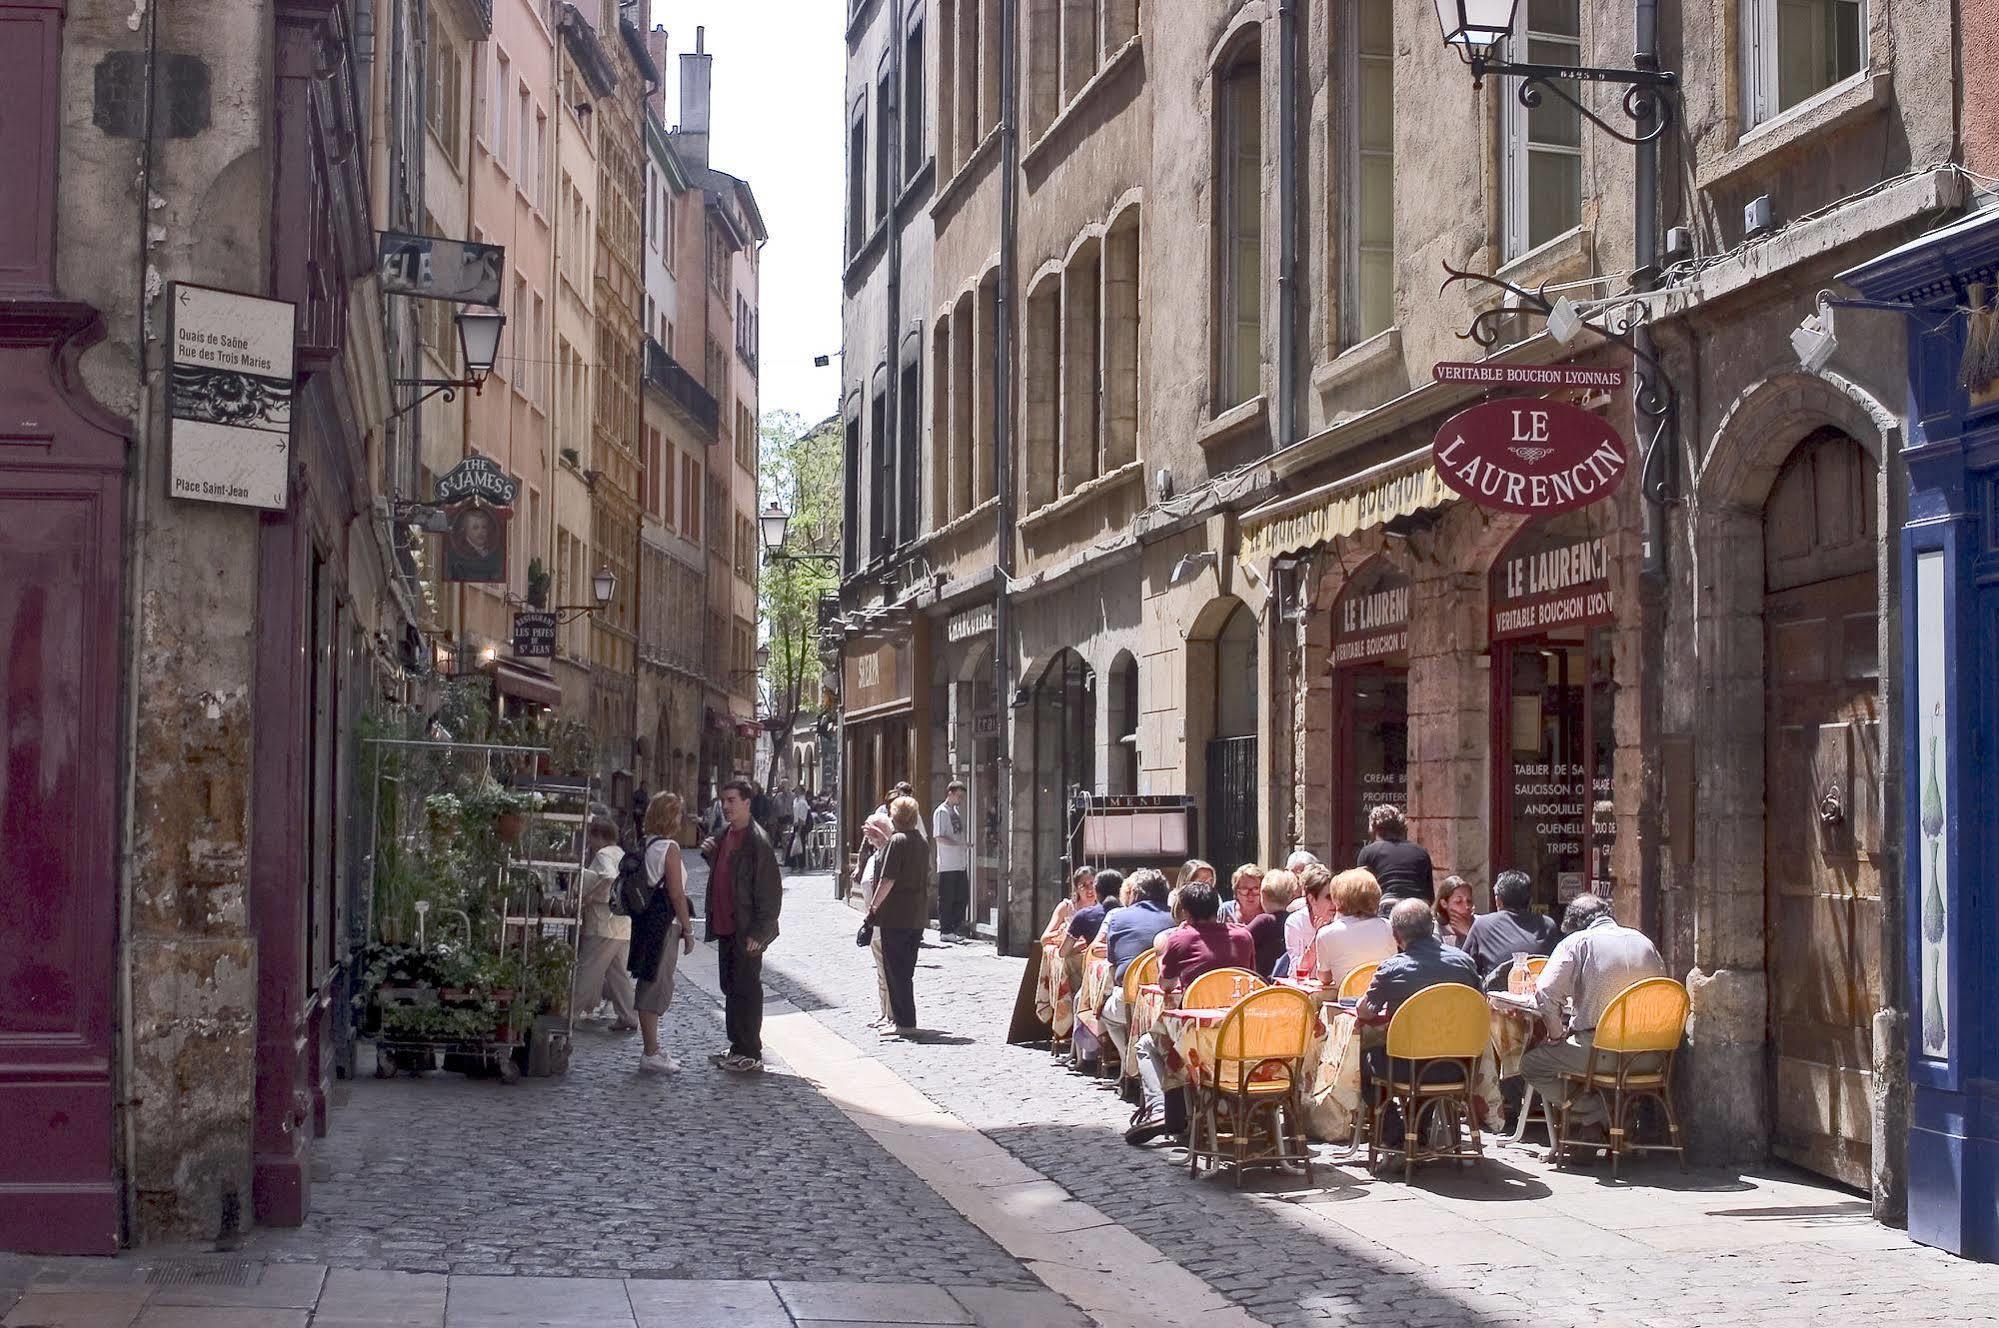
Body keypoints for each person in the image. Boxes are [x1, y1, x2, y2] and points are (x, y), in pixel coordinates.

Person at [1521, 894, 1668, 1150]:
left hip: (1602, 1054)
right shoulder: (1643, 941)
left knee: (1532, 1065)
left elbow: (1545, 992)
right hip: (1651, 1057)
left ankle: (1596, 1112)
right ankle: (1612, 1118)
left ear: (1575, 924)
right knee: (1575, 1050)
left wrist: (1555, 1035)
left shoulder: (1578, 941)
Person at [1126, 879, 1253, 1145]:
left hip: (1196, 1035)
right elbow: (1251, 976)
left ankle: (1161, 1108)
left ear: (1185, 911)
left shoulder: (1180, 939)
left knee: (1146, 1044)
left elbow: (1165, 984)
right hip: (1238, 1032)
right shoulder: (1243, 936)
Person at [1354, 899, 1483, 1147]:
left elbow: (1366, 1011)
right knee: (1425, 1051)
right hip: (1460, 1066)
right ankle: (1418, 1130)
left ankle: (1395, 1133)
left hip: (1408, 1068)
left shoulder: (1393, 969)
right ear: (1432, 925)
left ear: (1396, 935)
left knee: (1368, 1060)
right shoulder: (1465, 963)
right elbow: (1480, 1004)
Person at [700, 778, 783, 1072]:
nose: (726, 806)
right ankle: (737, 1046)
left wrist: (760, 933)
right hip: (727, 926)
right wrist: (710, 853)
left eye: (732, 800)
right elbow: (730, 876)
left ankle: (751, 1051)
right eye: (724, 800)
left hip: (746, 929)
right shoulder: (725, 834)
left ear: (747, 803)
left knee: (747, 989)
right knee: (731, 987)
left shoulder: (756, 841)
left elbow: (770, 892)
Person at [626, 796, 696, 1073]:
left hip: (644, 921)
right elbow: (677, 894)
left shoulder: (646, 843)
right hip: (663, 922)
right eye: (678, 815)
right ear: (671, 817)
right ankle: (651, 1051)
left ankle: (651, 1048)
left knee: (649, 977)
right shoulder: (669, 848)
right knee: (656, 982)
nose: (681, 820)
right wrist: (688, 929)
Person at [1096, 868, 1175, 1075]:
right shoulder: (1176, 918)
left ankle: (1129, 1064)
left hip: (1130, 1001)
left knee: (1104, 1013)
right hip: (1166, 1003)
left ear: (1134, 893)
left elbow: (1113, 966)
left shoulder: (1118, 919)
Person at [869, 796, 932, 1037]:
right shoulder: (921, 842)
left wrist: (873, 907)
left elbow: (888, 879)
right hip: (916, 916)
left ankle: (903, 1022)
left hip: (895, 915)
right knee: (906, 970)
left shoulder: (897, 841)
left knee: (895, 971)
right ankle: (905, 1020)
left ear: (896, 817)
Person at [570, 816, 639, 1035]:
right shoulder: (621, 853)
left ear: (598, 836)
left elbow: (609, 877)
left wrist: (589, 897)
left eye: (591, 836)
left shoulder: (603, 855)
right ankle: (629, 1015)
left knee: (587, 971)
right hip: (623, 925)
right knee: (618, 975)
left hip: (603, 925)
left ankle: (568, 1014)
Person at [1463, 869, 1560, 984]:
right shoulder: (1548, 925)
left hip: (1495, 999)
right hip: (1537, 998)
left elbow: (1464, 969)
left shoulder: (1482, 925)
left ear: (1498, 900)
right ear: (1530, 901)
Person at [1312, 868, 1397, 992]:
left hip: (1347, 1003)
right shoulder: (1389, 927)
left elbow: (1325, 978)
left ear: (1338, 898)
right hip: (1383, 1001)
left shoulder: (1326, 933)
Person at [856, 811, 896, 1029]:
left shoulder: (887, 855)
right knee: (881, 973)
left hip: (884, 922)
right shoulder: (876, 856)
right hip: (874, 924)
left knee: (887, 972)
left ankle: (891, 1014)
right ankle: (884, 1012)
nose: (869, 840)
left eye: (872, 835)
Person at [1357, 804, 1435, 911]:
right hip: (1419, 907)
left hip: (1386, 906)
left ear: (1373, 829)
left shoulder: (1368, 852)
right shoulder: (1421, 852)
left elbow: (1360, 893)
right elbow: (1430, 896)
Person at [932, 780, 973, 937]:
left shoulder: (955, 811)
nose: (960, 800)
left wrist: (963, 845)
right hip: (948, 863)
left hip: (960, 862)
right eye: (958, 796)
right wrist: (959, 845)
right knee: (947, 898)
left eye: (962, 797)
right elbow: (939, 837)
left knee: (961, 897)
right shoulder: (941, 812)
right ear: (950, 793)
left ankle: (956, 927)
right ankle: (946, 930)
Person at [1283, 863, 1337, 978]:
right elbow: (1298, 971)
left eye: (1336, 897)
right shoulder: (1295, 922)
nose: (1334, 903)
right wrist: (1317, 939)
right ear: (1312, 899)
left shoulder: (1340, 921)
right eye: (1328, 897)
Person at [1060, 867, 1124, 959]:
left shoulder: (1083, 915)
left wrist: (1083, 947)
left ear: (1096, 891)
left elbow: (1063, 952)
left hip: (1094, 965)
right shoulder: (1131, 915)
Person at [1247, 869, 1295, 978]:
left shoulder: (1264, 921)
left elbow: (1240, 940)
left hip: (1261, 981)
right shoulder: (1292, 920)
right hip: (1285, 981)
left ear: (1263, 894)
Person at [1041, 867, 1096, 946]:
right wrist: (1061, 934)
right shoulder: (1066, 908)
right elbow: (1044, 939)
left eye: (1092, 884)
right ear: (1076, 889)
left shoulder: (1104, 909)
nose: (1089, 889)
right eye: (1083, 885)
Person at [1435, 875, 1477, 949]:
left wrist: (1468, 934)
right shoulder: (1435, 928)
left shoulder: (1479, 924)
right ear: (1444, 904)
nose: (1466, 906)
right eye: (1459, 901)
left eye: (1469, 901)